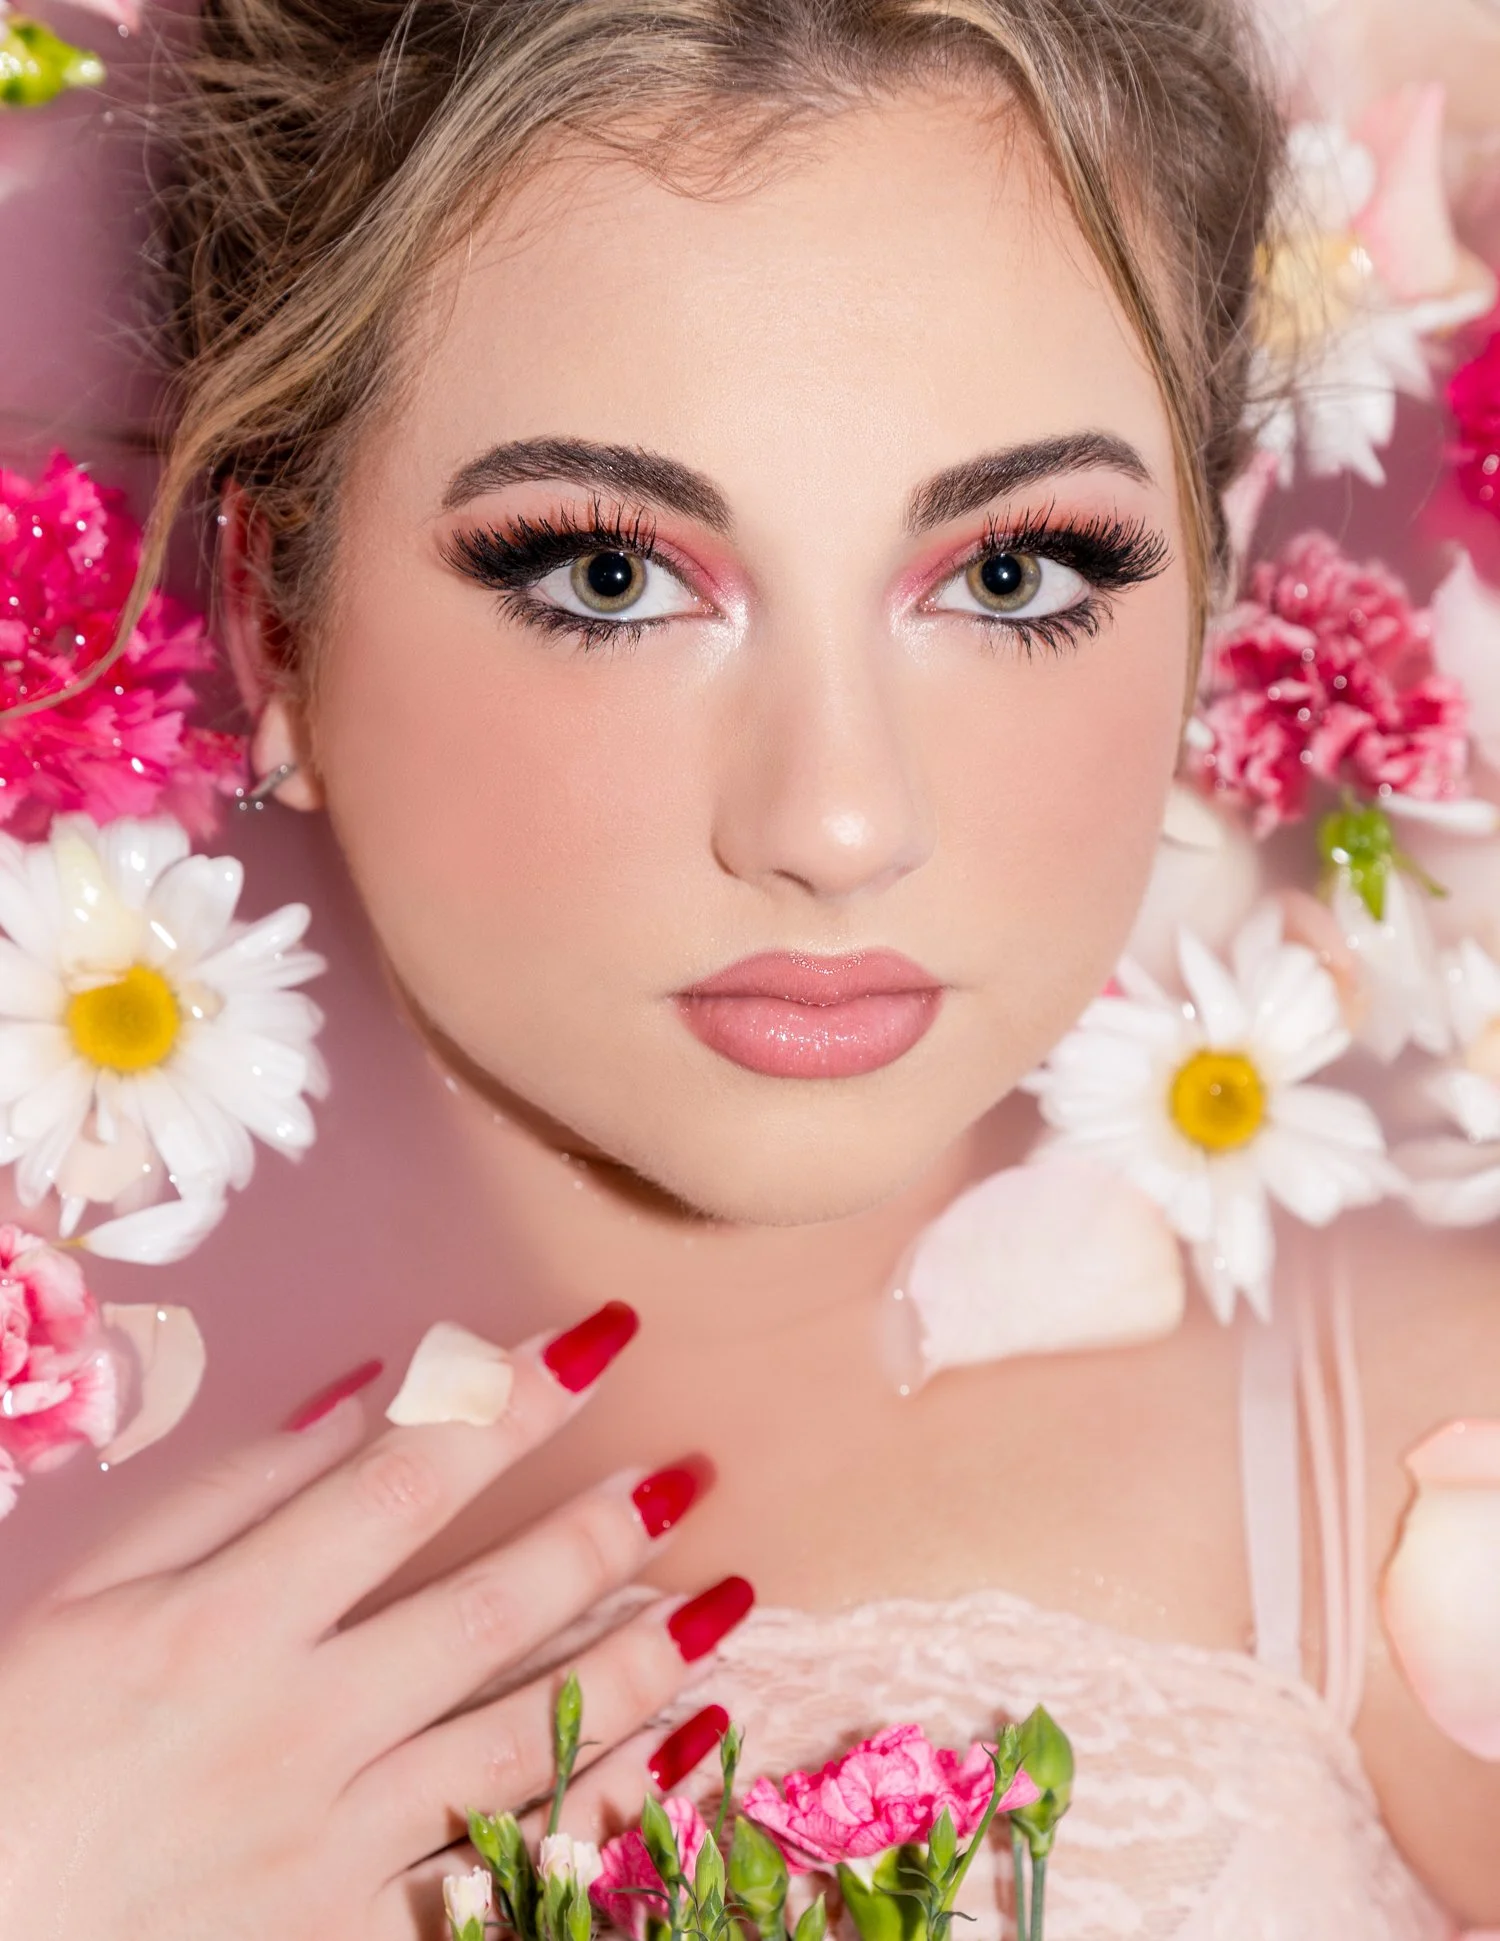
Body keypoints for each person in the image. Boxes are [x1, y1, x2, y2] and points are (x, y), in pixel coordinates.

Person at [0, 1, 1495, 1935]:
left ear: (1203, 590)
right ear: (276, 624)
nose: (838, 819)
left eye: (1017, 572)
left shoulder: (1407, 1465)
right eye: (612, 575)